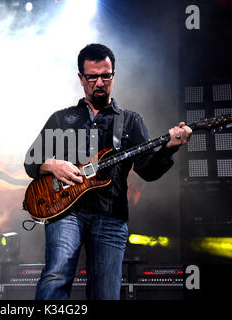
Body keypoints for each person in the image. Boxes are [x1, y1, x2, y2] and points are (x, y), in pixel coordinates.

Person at [23, 43, 192, 300]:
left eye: (106, 75)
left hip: (111, 215)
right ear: (81, 78)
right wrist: (52, 165)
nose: (100, 82)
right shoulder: (62, 118)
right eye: (92, 76)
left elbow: (147, 171)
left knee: (106, 292)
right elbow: (30, 161)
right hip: (65, 210)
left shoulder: (130, 120)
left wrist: (169, 148)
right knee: (57, 275)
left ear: (113, 75)